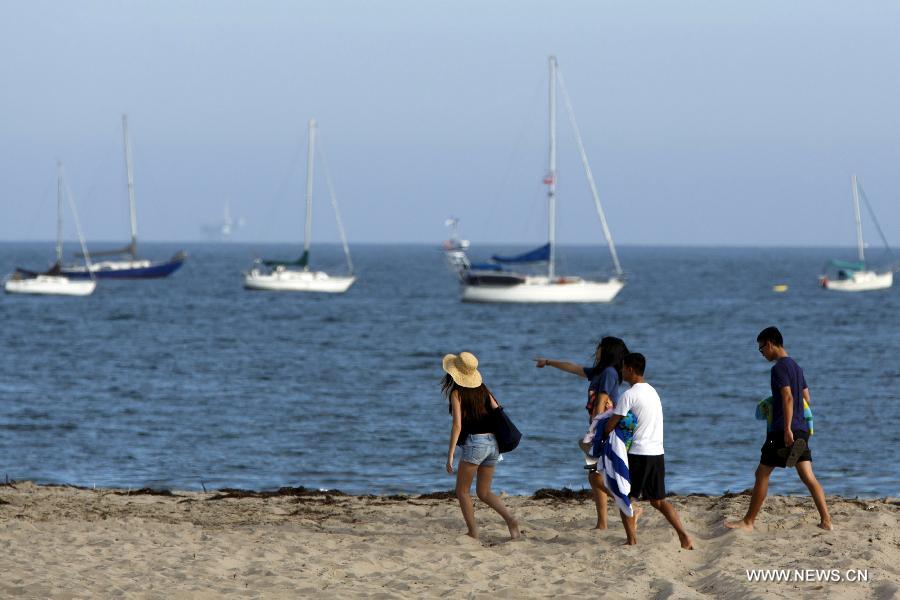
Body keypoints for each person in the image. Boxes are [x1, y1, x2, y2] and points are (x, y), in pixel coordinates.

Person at [726, 327, 833, 532]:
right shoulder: (796, 367)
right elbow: (806, 398)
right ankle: (826, 521)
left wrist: (786, 428)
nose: (762, 353)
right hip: (801, 427)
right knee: (808, 477)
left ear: (770, 343)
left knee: (762, 473)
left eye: (761, 349)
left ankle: (748, 521)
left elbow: (787, 397)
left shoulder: (778, 369)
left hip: (783, 430)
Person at [534, 336, 629, 529]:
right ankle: (602, 523)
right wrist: (549, 362)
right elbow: (574, 368)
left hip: (604, 431)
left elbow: (602, 401)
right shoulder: (599, 372)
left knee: (596, 476)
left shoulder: (609, 373)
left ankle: (629, 507)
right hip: (599, 430)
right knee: (595, 476)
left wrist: (593, 431)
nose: (597, 349)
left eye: (600, 346)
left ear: (608, 350)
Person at [602, 352, 693, 548]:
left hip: (638, 454)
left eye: (624, 368)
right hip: (657, 453)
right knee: (659, 501)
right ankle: (684, 536)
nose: (622, 371)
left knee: (624, 496)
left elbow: (611, 425)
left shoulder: (629, 394)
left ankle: (631, 540)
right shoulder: (652, 391)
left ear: (631, 370)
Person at [443, 351, 520, 540]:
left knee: (462, 491)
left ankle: (473, 532)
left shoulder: (456, 392)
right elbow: (498, 412)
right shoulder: (484, 389)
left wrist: (450, 454)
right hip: (493, 444)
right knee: (484, 492)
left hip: (475, 444)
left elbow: (457, 425)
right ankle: (511, 520)